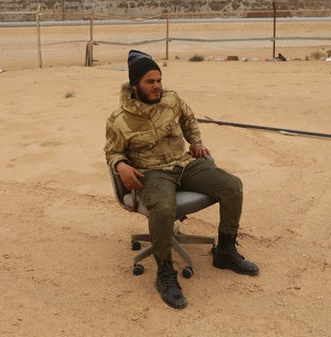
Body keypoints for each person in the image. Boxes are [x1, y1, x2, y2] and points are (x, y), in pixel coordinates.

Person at [104, 49, 259, 309]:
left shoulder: (171, 99)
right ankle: (165, 272)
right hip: (152, 173)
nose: (157, 87)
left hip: (183, 164)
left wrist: (196, 143)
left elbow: (188, 118)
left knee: (232, 186)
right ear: (135, 86)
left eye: (159, 80)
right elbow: (112, 151)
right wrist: (120, 165)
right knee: (164, 208)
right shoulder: (119, 119)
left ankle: (225, 252)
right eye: (150, 82)